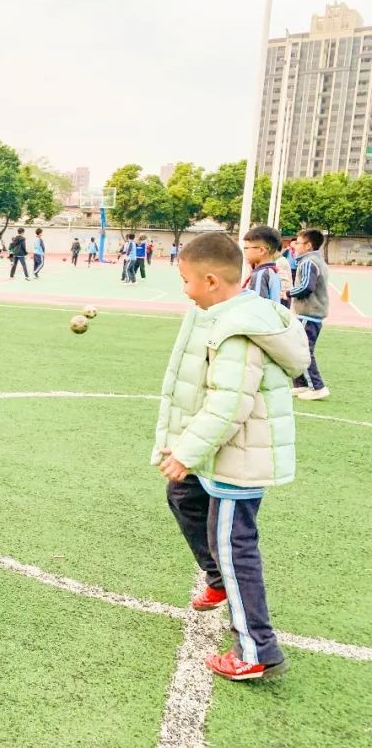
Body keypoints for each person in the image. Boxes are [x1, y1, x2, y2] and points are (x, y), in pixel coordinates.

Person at [154, 232, 309, 682]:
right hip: (219, 453)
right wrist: (184, 445)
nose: (183, 289)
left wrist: (188, 451)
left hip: (236, 461)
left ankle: (258, 649)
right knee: (182, 495)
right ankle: (218, 580)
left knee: (234, 546)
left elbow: (229, 404)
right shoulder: (222, 312)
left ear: (209, 280)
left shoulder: (238, 328)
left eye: (184, 280)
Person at [288, 228, 330, 401]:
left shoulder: (308, 262)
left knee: (303, 350)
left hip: (308, 313)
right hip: (310, 313)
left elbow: (306, 286)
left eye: (298, 242)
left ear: (308, 245)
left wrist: (288, 292)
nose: (295, 245)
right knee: (296, 349)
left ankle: (317, 387)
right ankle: (302, 384)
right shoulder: (315, 261)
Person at [242, 226, 284, 303]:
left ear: (261, 250)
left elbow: (257, 304)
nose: (244, 252)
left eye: (246, 248)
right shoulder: (272, 270)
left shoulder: (261, 274)